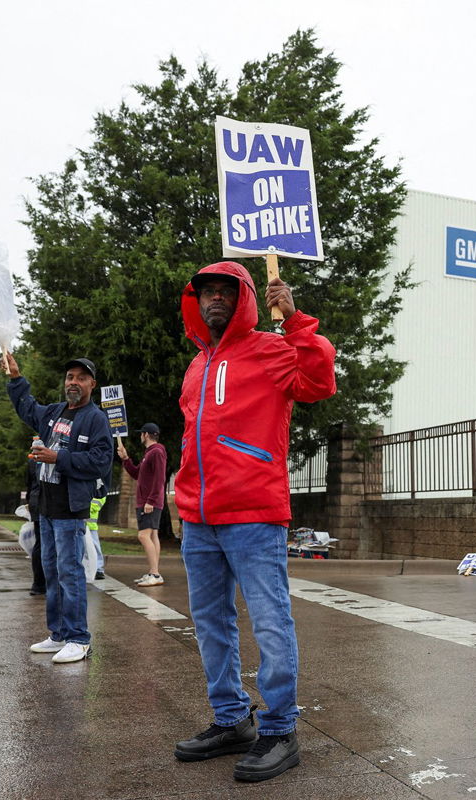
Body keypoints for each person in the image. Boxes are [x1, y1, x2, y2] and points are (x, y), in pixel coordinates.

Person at [171, 262, 336, 783]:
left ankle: (280, 729)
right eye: (206, 293)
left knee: (269, 621)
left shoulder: (270, 347)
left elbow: (317, 379)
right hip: (200, 516)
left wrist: (295, 320)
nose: (214, 299)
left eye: (225, 291)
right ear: (195, 303)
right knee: (210, 623)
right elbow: (192, 435)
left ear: (243, 297)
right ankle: (231, 720)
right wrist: (182, 497)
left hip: (254, 513)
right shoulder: (196, 365)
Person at [3, 353, 113, 665]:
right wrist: (15, 378)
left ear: (92, 384)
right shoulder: (53, 413)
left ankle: (79, 639)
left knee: (69, 572)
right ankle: (59, 634)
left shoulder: (96, 419)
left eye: (80, 378)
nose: (73, 383)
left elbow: (102, 462)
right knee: (51, 571)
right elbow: (26, 407)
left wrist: (58, 458)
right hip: (46, 508)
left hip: (70, 508)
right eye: (69, 377)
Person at [117, 422, 167, 586]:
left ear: (146, 435)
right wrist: (125, 458)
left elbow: (160, 479)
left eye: (141, 433)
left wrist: (150, 501)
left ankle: (155, 573)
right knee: (152, 535)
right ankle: (154, 572)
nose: (140, 436)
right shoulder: (149, 453)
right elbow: (137, 473)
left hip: (149, 502)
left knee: (143, 535)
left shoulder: (157, 452)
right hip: (148, 501)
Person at [25, 459, 46, 595]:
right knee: (47, 544)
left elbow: (29, 483)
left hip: (35, 500)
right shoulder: (53, 453)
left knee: (40, 543)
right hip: (45, 501)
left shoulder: (33, 460)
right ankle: (44, 583)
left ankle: (38, 584)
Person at [88, 477, 107, 580]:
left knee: (95, 546)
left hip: (91, 524)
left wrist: (88, 507)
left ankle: (99, 569)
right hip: (83, 521)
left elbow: (101, 498)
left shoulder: (98, 480)